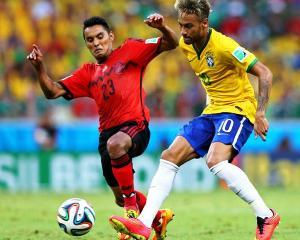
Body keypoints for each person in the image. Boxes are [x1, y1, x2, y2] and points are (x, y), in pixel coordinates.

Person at [109, 1, 280, 240]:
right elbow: (176, 40)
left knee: (216, 161)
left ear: (204, 23)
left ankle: (265, 215)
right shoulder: (188, 43)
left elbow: (265, 72)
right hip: (211, 112)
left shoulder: (224, 45)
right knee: (169, 157)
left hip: (237, 109)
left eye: (189, 26)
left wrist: (260, 113)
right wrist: (162, 28)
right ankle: (145, 224)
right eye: (180, 26)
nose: (184, 32)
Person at [27, 14, 177, 240]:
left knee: (116, 147)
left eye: (100, 37)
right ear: (86, 43)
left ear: (110, 36)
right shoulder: (88, 73)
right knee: (118, 192)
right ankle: (157, 218)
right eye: (90, 40)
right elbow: (53, 91)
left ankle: (132, 214)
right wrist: (39, 68)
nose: (96, 43)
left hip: (136, 127)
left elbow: (172, 43)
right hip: (106, 136)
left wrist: (163, 27)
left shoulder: (131, 50)